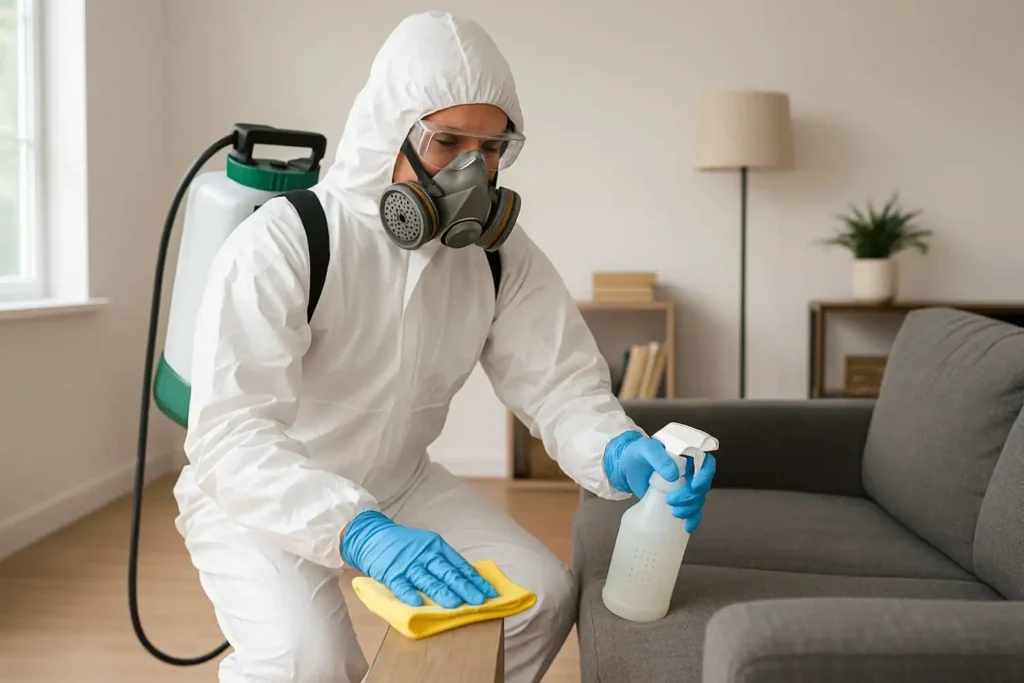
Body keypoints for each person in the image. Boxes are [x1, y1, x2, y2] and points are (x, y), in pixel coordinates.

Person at [172, 10, 716, 683]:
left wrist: (615, 447)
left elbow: (560, 384)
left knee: (538, 599)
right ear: (387, 135)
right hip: (259, 500)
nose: (471, 170)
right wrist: (358, 530)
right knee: (305, 662)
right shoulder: (284, 243)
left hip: (398, 484)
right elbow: (231, 436)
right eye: (447, 141)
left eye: (490, 149)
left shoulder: (495, 258)